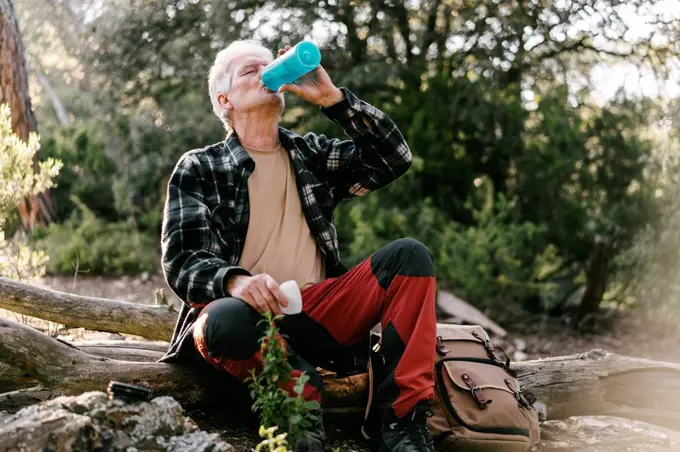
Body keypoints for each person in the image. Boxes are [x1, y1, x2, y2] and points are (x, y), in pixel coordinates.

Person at [158, 39, 437, 452]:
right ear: (225, 98)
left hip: (319, 313)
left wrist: (334, 100)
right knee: (220, 320)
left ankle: (402, 424)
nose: (266, 73)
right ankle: (297, 405)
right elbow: (181, 260)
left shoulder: (309, 153)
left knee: (409, 256)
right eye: (249, 71)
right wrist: (235, 282)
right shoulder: (200, 166)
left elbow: (393, 157)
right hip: (246, 325)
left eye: (270, 66)